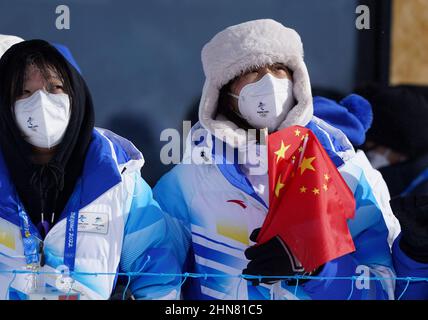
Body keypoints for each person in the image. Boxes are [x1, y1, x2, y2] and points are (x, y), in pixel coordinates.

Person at [154, 19, 398, 300]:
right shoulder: (187, 182)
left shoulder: (349, 173)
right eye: (251, 72)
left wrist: (317, 269)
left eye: (279, 68)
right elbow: (158, 285)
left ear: (297, 80)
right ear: (223, 93)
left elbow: (387, 287)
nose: (269, 81)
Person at [0, 39, 185, 300]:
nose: (41, 103)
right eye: (25, 92)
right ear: (6, 104)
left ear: (76, 94)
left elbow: (158, 278)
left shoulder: (119, 179)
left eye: (55, 88)